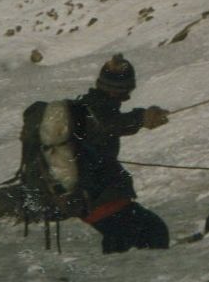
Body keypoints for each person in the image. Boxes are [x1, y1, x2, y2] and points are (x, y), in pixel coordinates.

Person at [73, 55, 170, 253]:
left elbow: (112, 123)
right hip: (96, 194)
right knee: (151, 231)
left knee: (127, 235)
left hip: (94, 193)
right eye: (126, 91)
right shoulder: (95, 109)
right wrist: (142, 117)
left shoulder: (89, 105)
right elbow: (111, 124)